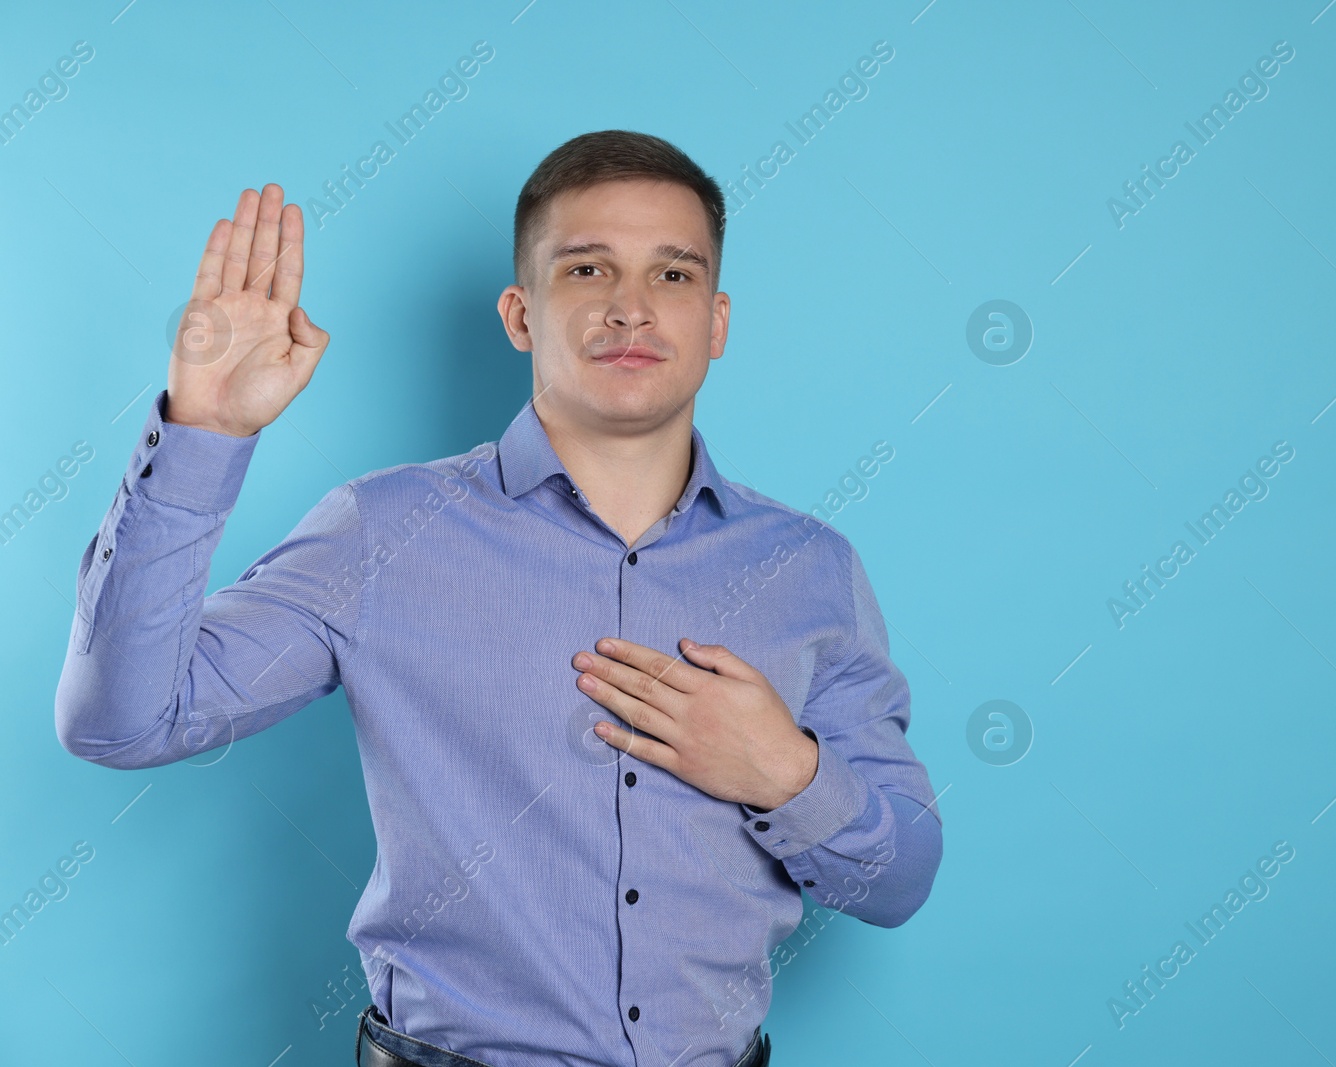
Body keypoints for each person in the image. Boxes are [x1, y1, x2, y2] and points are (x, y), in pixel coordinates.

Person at [55, 129, 943, 1067]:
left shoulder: (809, 567)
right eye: (588, 269)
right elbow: (121, 722)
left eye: (673, 276)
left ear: (716, 322)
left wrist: (786, 774)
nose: (631, 308)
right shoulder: (379, 529)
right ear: (521, 314)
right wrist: (203, 430)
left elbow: (899, 881)